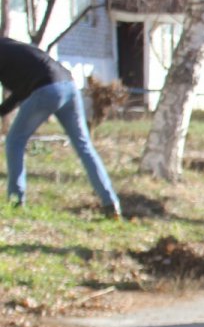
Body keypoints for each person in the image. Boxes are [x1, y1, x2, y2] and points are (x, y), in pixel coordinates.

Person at [0, 37, 121, 217]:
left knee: (14, 141)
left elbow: (22, 91)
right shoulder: (8, 45)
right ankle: (110, 202)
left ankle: (16, 200)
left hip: (47, 88)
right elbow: (21, 88)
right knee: (84, 146)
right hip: (68, 84)